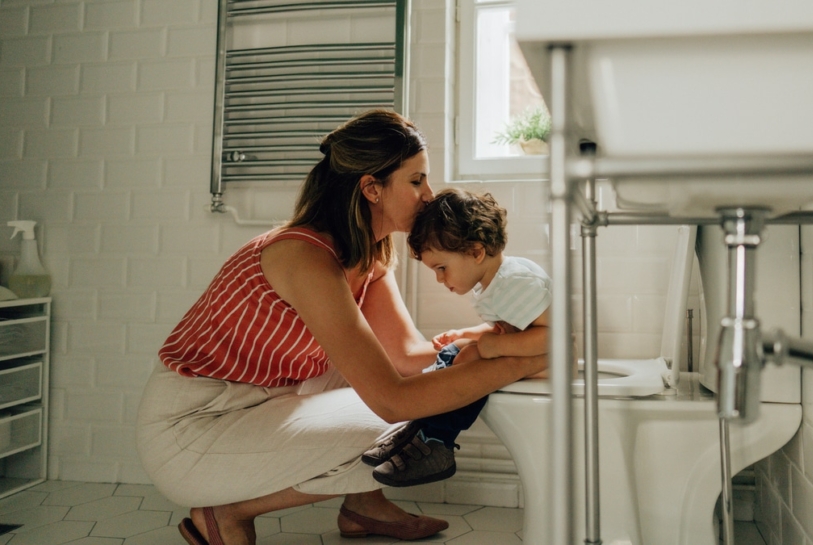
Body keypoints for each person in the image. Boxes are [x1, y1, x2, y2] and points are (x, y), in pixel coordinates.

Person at [135, 110, 548, 545]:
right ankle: (228, 511)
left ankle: (363, 506)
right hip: (194, 427)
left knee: (426, 385)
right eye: (415, 181)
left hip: (262, 405)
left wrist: (504, 339)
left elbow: (406, 356)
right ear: (371, 187)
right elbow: (393, 401)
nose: (429, 195)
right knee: (410, 418)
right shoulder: (305, 257)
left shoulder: (369, 255)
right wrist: (519, 361)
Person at [360, 188, 551, 488]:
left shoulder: (515, 282)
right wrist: (468, 334)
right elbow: (511, 326)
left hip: (550, 362)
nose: (439, 278)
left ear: (476, 252)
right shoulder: (496, 281)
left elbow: (555, 338)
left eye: (441, 268)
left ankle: (437, 442)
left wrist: (496, 345)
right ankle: (421, 427)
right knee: (451, 352)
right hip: (527, 354)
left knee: (469, 358)